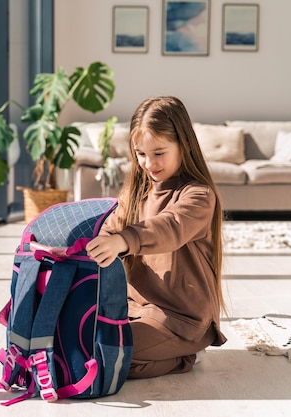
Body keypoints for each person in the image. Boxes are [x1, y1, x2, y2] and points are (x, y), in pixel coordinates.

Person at [86, 96, 227, 379]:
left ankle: (187, 355)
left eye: (159, 153)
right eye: (141, 154)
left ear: (184, 145)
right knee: (81, 342)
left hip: (181, 322)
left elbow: (170, 227)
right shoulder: (135, 194)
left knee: (105, 353)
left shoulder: (199, 195)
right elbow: (109, 229)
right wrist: (96, 243)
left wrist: (123, 240)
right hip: (134, 310)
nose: (149, 163)